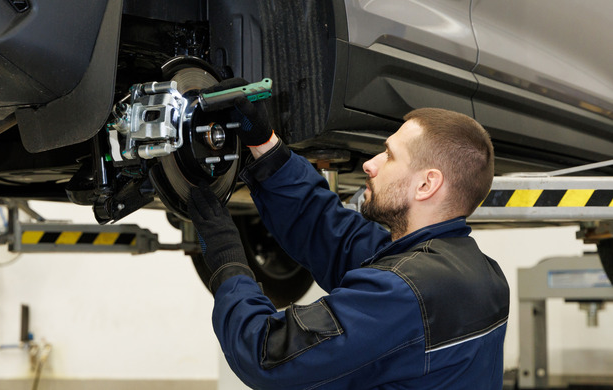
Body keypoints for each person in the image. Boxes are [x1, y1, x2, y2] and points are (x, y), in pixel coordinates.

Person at [188, 81, 510, 389]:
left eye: (389, 155)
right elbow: (333, 234)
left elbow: (265, 356)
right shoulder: (478, 271)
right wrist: (265, 145)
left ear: (427, 184)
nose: (370, 164)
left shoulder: (405, 292)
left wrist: (228, 264)